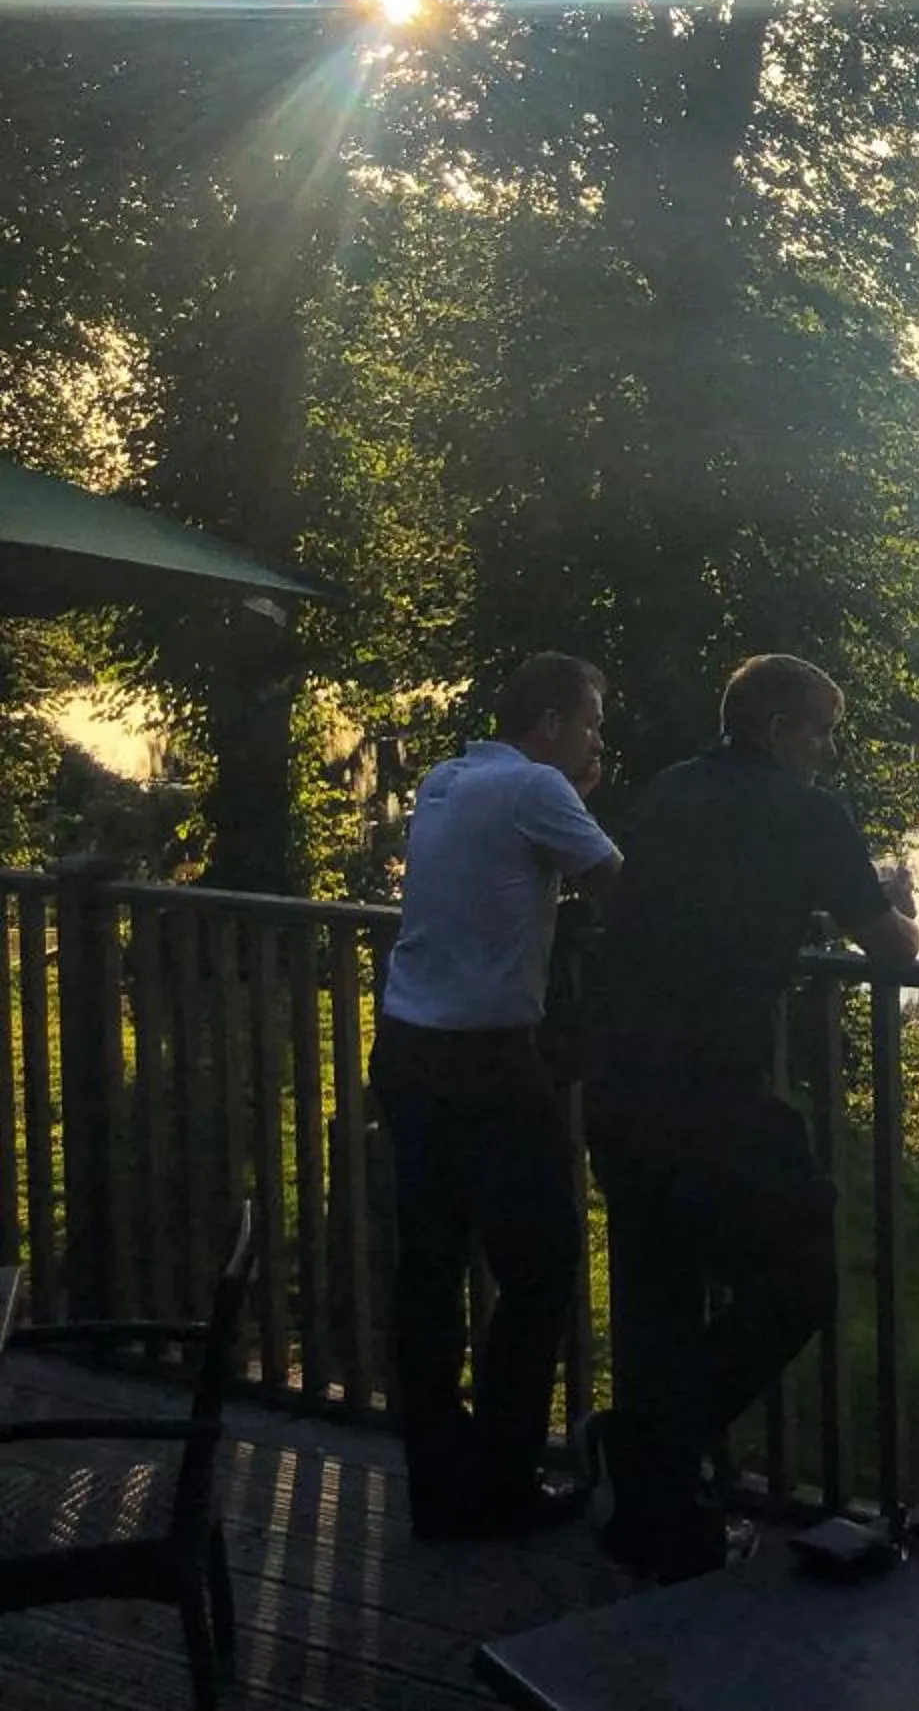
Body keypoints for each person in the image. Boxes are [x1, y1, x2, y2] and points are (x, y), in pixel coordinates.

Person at [583, 654, 919, 1580]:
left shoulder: (669, 790)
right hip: (711, 1087)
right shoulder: (809, 810)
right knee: (797, 1281)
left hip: (618, 1081)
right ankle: (646, 1447)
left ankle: (658, 1521)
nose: (828, 747)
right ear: (778, 730)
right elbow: (890, 946)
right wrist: (894, 900)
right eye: (820, 729)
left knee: (658, 1292)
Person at [371, 652, 621, 1540]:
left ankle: (438, 1482)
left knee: (431, 1270)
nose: (599, 738)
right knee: (544, 1263)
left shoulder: (448, 778)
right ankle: (505, 1479)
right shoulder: (531, 790)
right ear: (550, 722)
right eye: (591, 721)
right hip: (484, 1060)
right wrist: (577, 794)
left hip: (405, 1047)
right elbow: (620, 888)